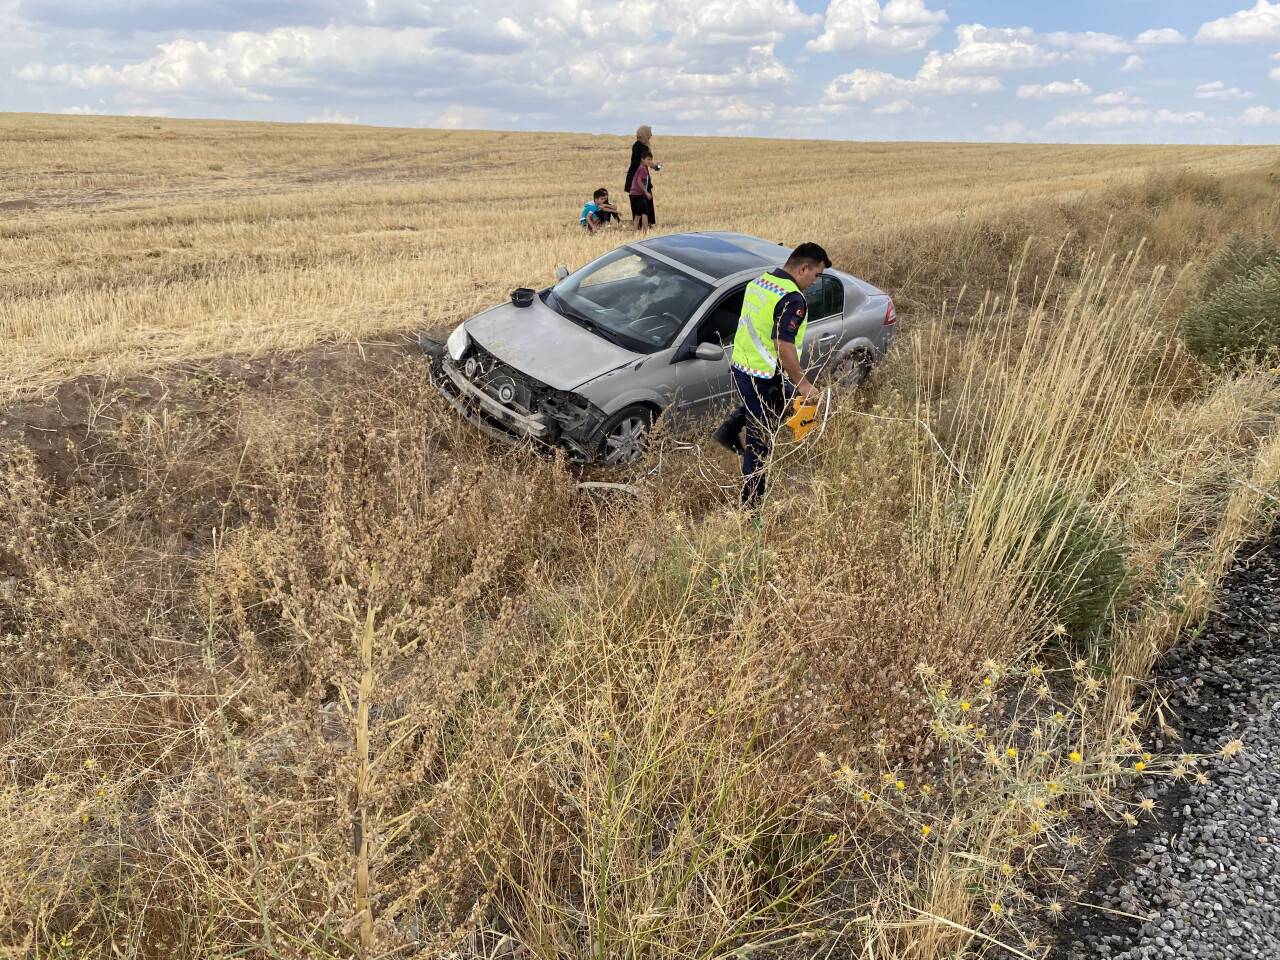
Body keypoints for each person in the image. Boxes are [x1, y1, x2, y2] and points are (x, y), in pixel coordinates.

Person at [712, 242, 831, 508]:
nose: (815, 282)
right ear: (803, 268)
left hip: (742, 365)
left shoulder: (760, 282)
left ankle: (728, 430)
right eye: (816, 275)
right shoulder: (793, 299)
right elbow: (783, 344)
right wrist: (803, 383)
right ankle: (751, 508)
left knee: (765, 404)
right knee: (760, 442)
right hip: (764, 374)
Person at [624, 125, 657, 227]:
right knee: (641, 201)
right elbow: (638, 162)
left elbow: (646, 162)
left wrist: (654, 166)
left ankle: (644, 224)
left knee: (645, 200)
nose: (651, 134)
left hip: (642, 177)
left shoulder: (644, 145)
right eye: (649, 132)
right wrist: (653, 166)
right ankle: (642, 226)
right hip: (637, 178)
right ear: (644, 134)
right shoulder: (638, 146)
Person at [628, 148, 655, 236]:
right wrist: (646, 192)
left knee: (637, 215)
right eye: (648, 159)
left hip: (633, 194)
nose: (650, 161)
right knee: (645, 213)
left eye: (651, 159)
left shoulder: (641, 168)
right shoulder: (643, 169)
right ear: (642, 159)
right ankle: (645, 233)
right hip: (638, 194)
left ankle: (634, 232)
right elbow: (639, 181)